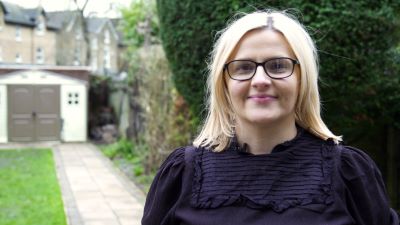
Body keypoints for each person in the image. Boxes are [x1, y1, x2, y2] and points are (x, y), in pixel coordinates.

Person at [142, 10, 399, 225]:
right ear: (224, 83)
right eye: (243, 67)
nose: (261, 80)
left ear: (303, 79)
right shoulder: (182, 174)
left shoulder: (349, 174)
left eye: (278, 66)